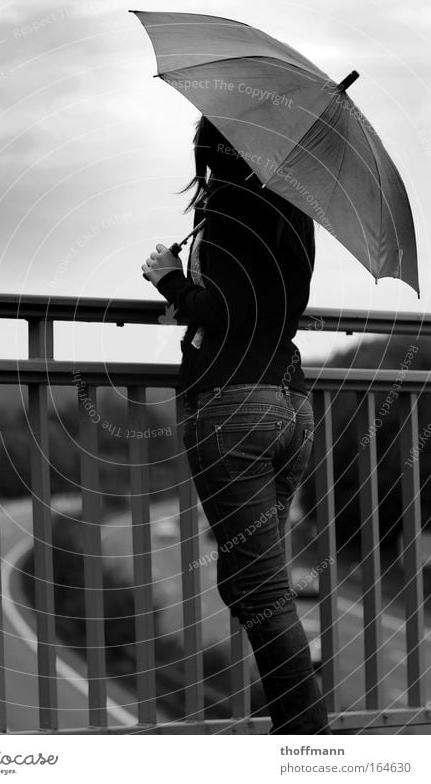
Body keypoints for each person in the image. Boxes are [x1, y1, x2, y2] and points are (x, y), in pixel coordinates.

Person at [141, 115, 332, 735]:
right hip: (290, 404)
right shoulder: (295, 217)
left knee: (261, 590)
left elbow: (221, 311)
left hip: (234, 409)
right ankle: (297, 728)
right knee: (250, 582)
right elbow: (269, 308)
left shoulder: (228, 212)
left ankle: (308, 744)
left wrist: (167, 275)